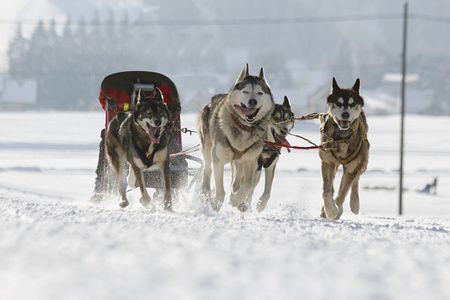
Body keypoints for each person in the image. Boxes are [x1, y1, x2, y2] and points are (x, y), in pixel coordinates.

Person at [90, 82, 178, 203]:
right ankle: (100, 187)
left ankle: (169, 186)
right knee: (107, 138)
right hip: (123, 126)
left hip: (154, 127)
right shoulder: (115, 86)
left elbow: (172, 99)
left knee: (168, 135)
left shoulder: (161, 86)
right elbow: (104, 98)